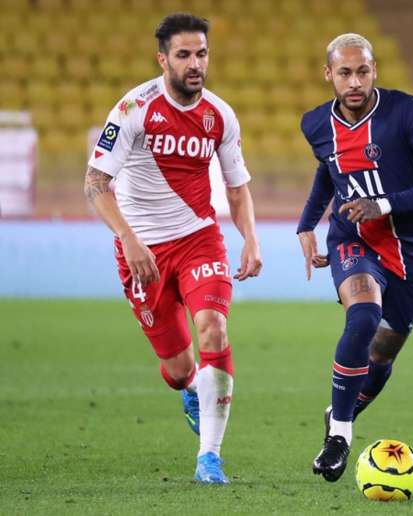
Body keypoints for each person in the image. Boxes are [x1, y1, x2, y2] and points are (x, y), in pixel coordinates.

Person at [83, 13, 262, 484]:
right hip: (141, 252)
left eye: (201, 53)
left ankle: (210, 458)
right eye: (183, 55)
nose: (195, 63)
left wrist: (251, 240)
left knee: (214, 331)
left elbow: (237, 186)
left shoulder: (219, 115)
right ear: (163, 59)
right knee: (180, 366)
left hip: (200, 240)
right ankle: (188, 389)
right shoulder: (133, 109)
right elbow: (96, 182)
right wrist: (128, 238)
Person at [297, 33, 413, 482]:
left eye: (362, 71)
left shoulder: (407, 112)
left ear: (375, 71)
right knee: (364, 315)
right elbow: (328, 172)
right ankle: (340, 438)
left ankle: (339, 411)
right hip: (353, 239)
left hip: (408, 251)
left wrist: (383, 204)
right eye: (344, 72)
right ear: (328, 74)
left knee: (382, 357)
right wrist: (307, 224)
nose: (354, 81)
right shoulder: (315, 124)